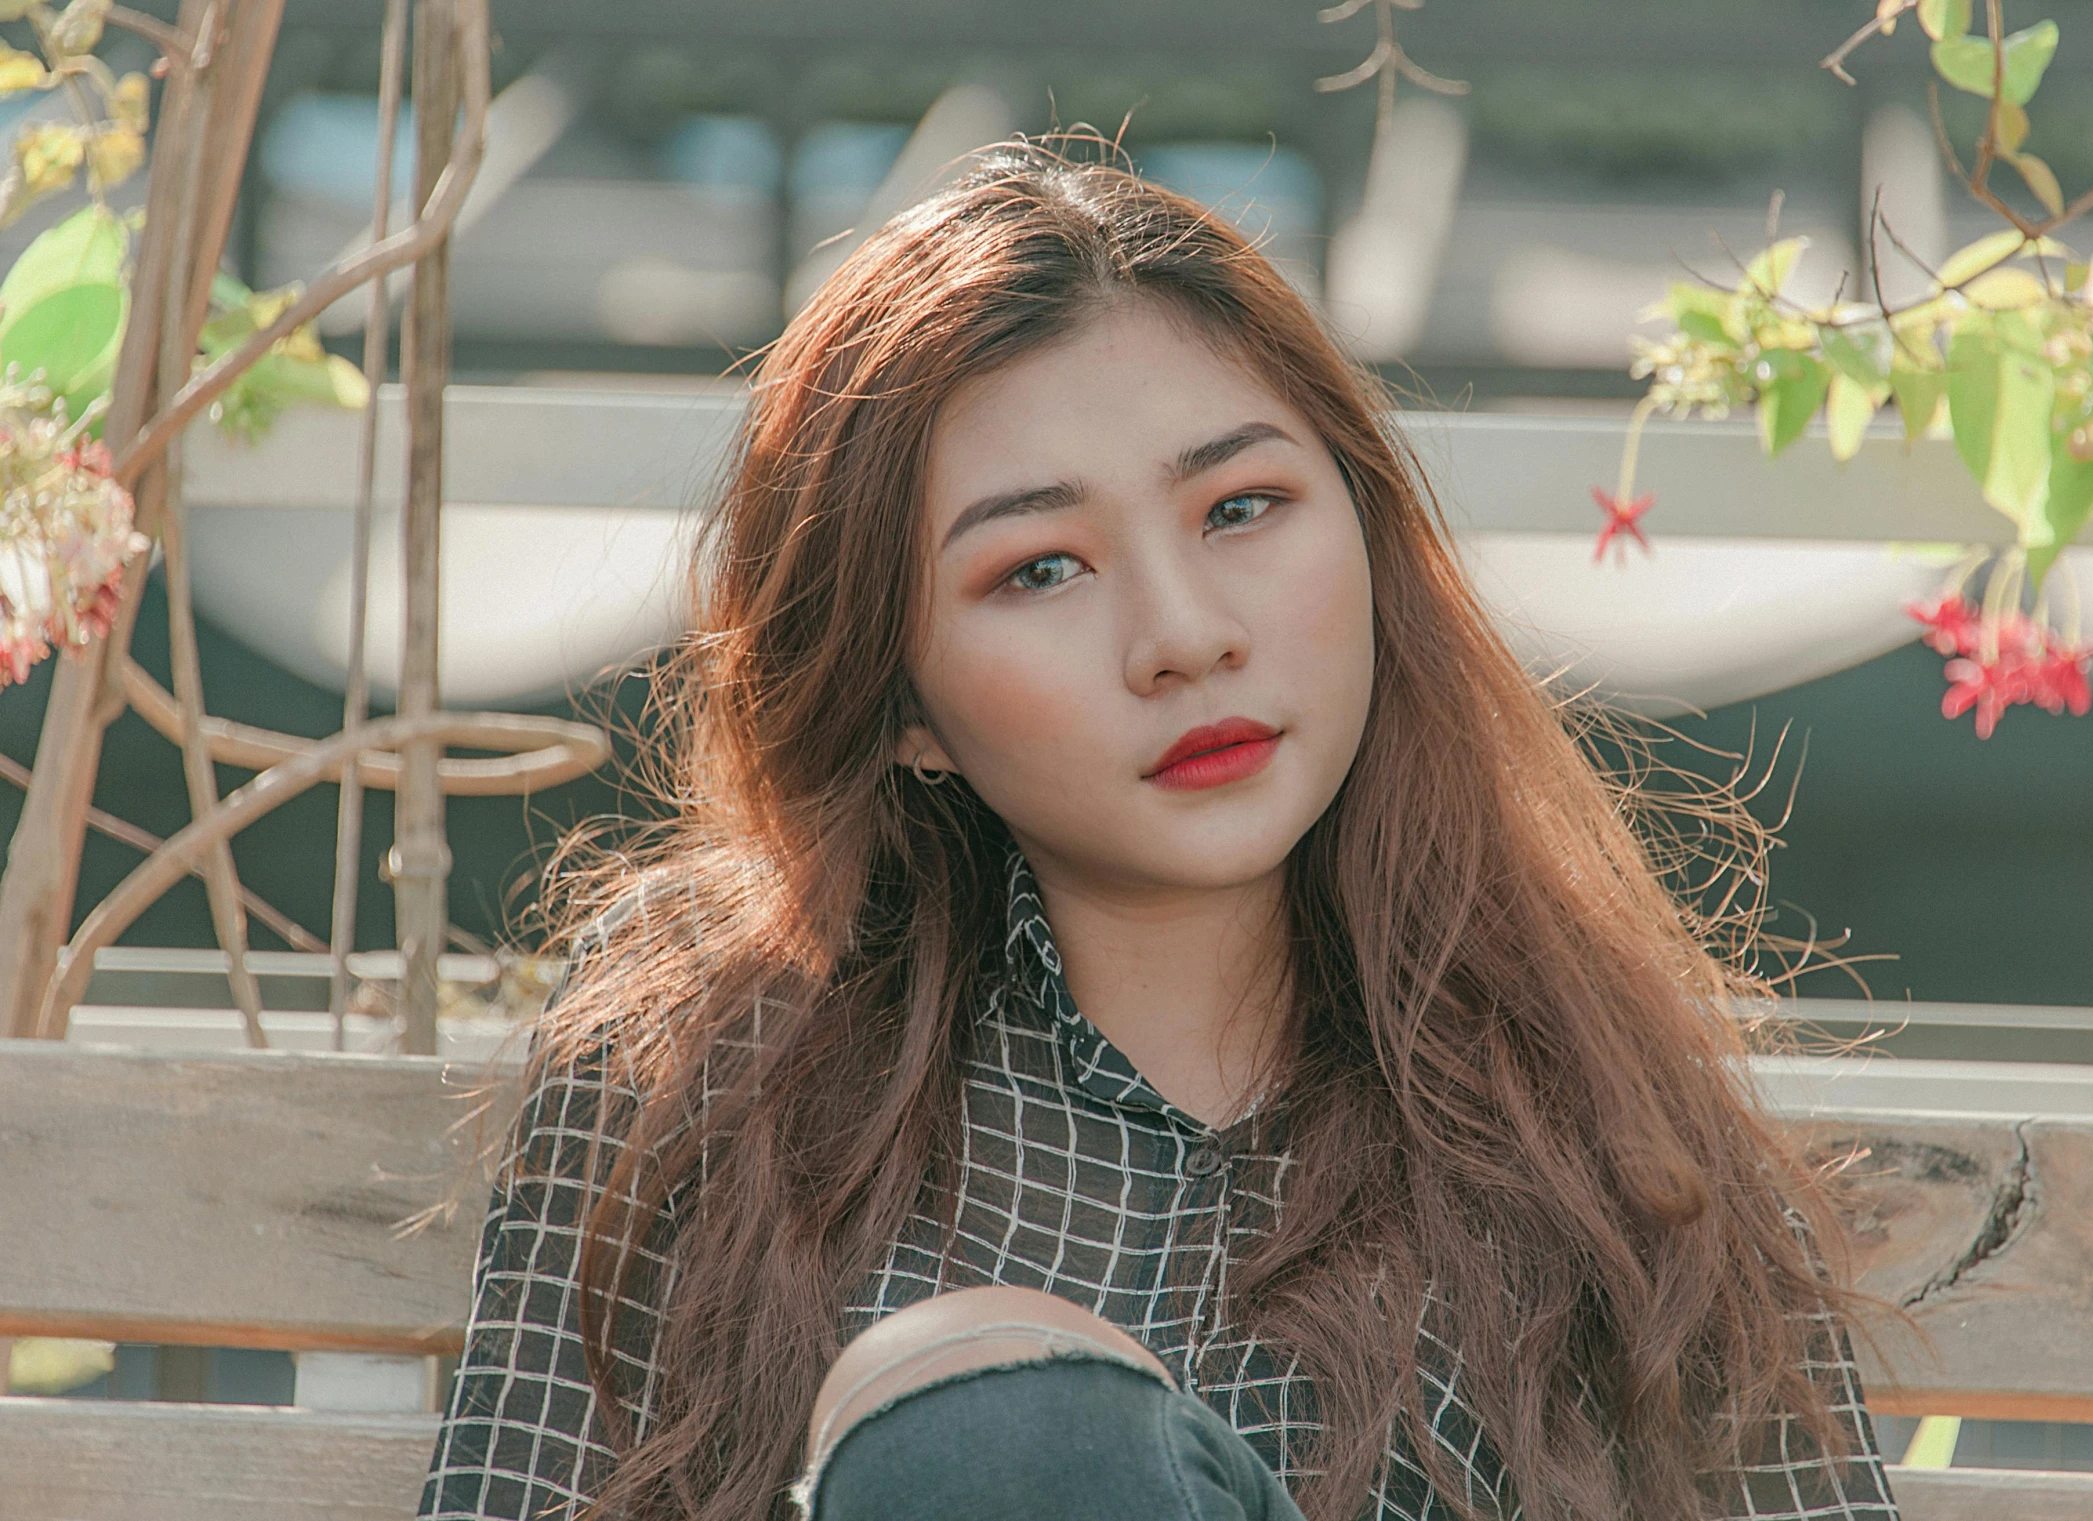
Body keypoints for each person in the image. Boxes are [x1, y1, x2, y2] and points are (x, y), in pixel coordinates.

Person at [419, 139, 1901, 1521]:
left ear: (1370, 539)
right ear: (902, 699)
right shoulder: (713, 1039)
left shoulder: (1584, 1099)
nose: (1183, 637)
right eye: (1041, 569)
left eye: (1242, 508)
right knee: (1000, 1439)